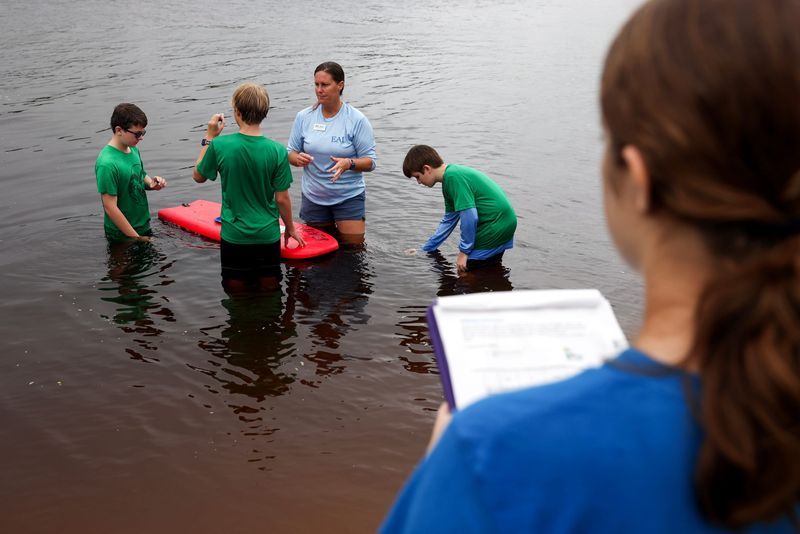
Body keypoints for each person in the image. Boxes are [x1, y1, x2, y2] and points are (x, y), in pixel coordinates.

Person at [383, 0, 800, 532]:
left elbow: (462, 219)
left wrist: (449, 467)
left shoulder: (488, 450)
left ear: (638, 179)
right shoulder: (775, 414)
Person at [193, 82, 305, 293]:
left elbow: (198, 176)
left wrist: (209, 138)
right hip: (267, 235)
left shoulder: (220, 145)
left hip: (234, 235)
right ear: (265, 113)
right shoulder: (277, 151)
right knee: (270, 289)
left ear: (237, 111)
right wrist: (290, 228)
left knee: (235, 291)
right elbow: (282, 199)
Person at [287, 61, 377, 245]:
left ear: (340, 85)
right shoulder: (304, 117)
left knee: (353, 249)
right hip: (314, 197)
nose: (319, 90)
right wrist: (297, 159)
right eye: (316, 84)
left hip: (348, 197)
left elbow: (370, 162)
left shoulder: (357, 120)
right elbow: (290, 153)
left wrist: (349, 163)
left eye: (325, 85)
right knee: (318, 250)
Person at [402, 145, 517, 274]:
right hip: (505, 222)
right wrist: (425, 249)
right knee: (490, 271)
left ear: (427, 169)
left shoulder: (453, 178)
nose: (418, 182)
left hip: (493, 225)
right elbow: (448, 221)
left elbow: (470, 216)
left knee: (465, 273)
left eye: (417, 176)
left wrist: (464, 251)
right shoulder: (450, 178)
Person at [95, 103, 167, 242]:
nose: (141, 138)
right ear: (119, 130)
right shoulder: (107, 164)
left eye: (143, 133)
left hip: (143, 227)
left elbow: (139, 175)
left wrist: (152, 183)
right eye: (137, 134)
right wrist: (137, 238)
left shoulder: (133, 149)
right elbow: (110, 207)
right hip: (122, 236)